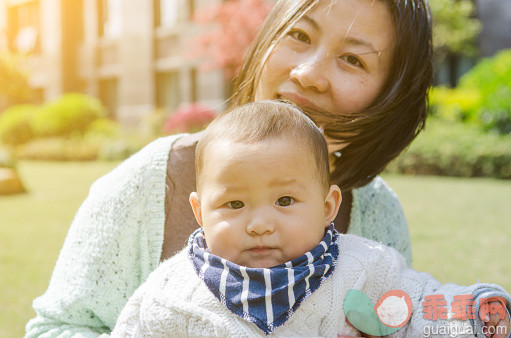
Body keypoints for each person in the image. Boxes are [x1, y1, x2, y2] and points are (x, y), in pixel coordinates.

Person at [27, 0, 432, 335]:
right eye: (299, 35)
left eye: (352, 59)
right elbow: (57, 328)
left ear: (390, 95)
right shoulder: (152, 182)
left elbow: (411, 317)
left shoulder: (377, 213)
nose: (307, 74)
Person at [111, 102, 511, 337]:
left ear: (327, 206)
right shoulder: (171, 290)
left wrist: (474, 315)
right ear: (199, 212)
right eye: (234, 205)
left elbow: (418, 306)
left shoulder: (363, 270)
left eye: (285, 199)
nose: (259, 224)